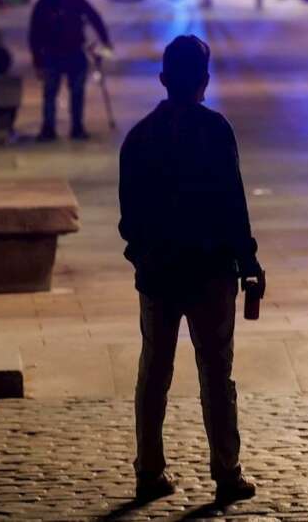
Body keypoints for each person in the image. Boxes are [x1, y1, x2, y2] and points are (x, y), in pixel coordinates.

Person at [118, 35, 263, 505]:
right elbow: (233, 205)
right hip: (210, 271)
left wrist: (143, 255)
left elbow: (129, 216)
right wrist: (248, 261)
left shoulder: (139, 137)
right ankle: (226, 471)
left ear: (163, 80)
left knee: (154, 372)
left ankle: (149, 470)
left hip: (159, 272)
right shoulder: (216, 131)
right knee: (216, 374)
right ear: (204, 81)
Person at [28, 0, 112, 140]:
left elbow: (34, 34)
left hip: (52, 53)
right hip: (73, 51)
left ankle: (49, 129)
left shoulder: (44, 4)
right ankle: (77, 128)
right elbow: (95, 19)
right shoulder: (75, 0)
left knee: (50, 93)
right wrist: (105, 41)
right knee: (76, 92)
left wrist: (37, 61)